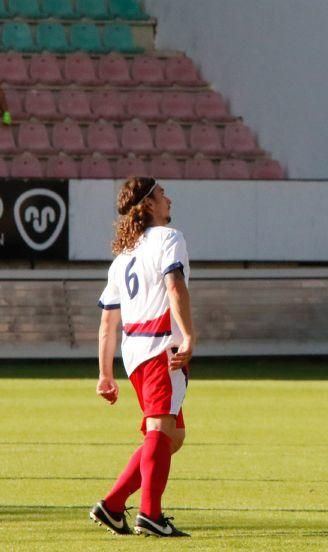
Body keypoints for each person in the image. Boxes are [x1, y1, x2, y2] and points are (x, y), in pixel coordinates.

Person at [90, 177, 194, 537]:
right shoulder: (169, 238)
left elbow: (108, 321)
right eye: (162, 193)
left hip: (134, 353)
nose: (169, 198)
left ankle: (114, 505)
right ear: (149, 204)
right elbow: (174, 285)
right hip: (160, 347)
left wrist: (105, 373)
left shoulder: (123, 257)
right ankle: (150, 514)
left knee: (173, 435)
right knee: (159, 430)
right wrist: (189, 335)